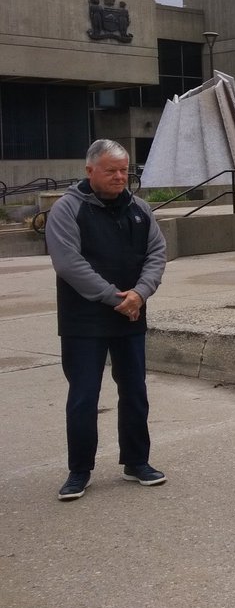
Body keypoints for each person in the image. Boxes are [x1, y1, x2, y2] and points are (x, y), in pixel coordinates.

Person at [45, 139, 168, 501]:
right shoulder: (68, 210)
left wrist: (140, 294)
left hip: (131, 315)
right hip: (84, 321)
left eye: (124, 170)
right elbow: (68, 263)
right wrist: (116, 297)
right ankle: (79, 471)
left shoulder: (140, 209)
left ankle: (136, 462)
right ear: (89, 171)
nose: (120, 177)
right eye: (111, 170)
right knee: (84, 396)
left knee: (134, 392)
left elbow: (157, 254)